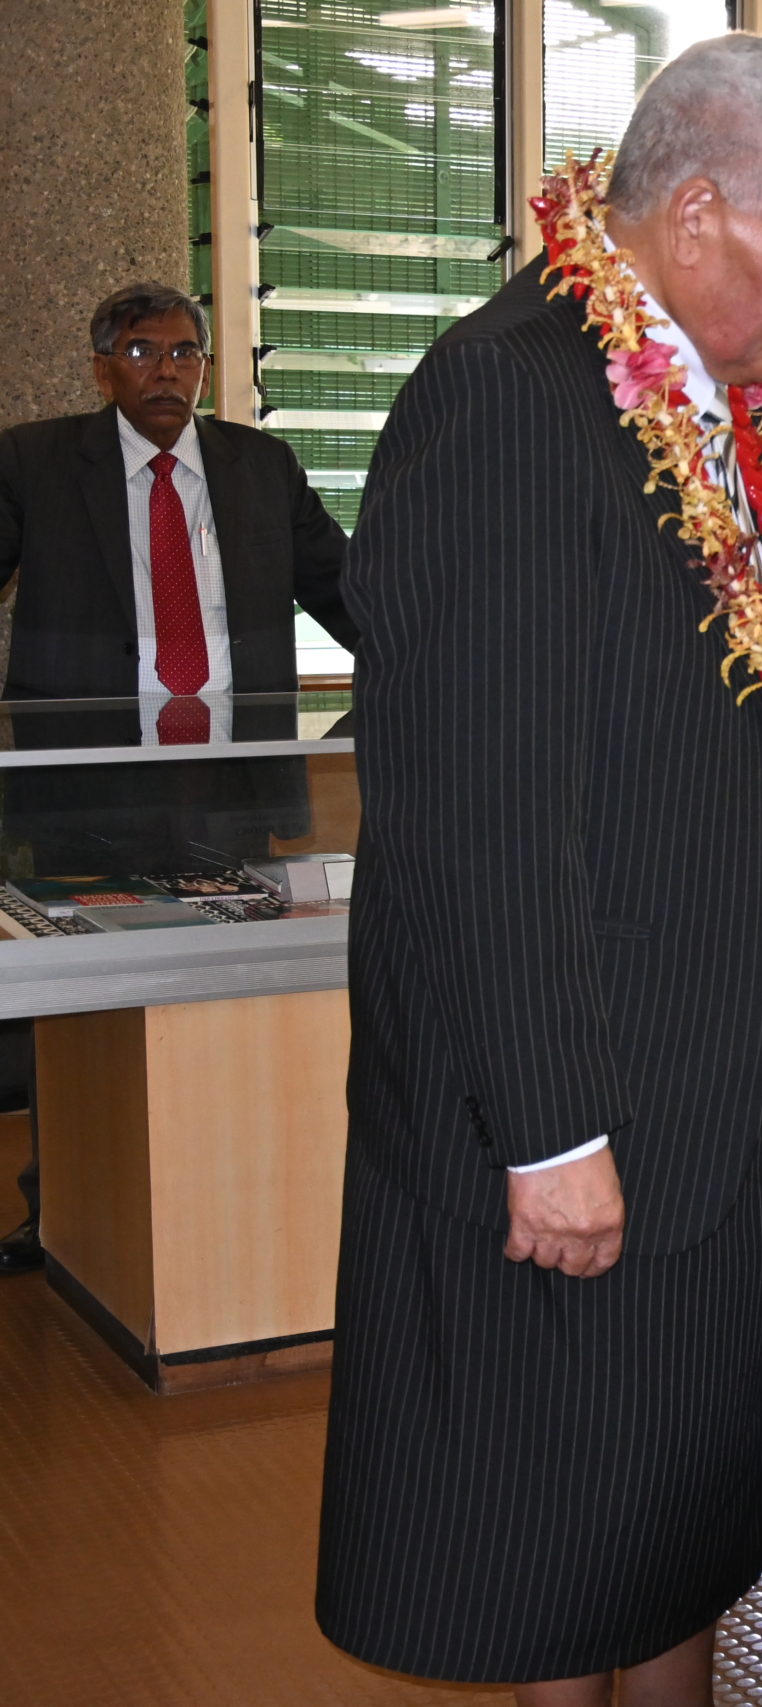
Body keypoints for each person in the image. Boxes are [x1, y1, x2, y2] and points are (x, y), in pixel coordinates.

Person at [314, 36, 762, 1707]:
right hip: (584, 1109)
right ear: (696, 213)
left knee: (680, 1525)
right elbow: (474, 810)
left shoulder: (708, 405)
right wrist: (552, 1130)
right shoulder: (513, 393)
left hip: (703, 1080)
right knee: (564, 1553)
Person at [0, 279, 357, 1276]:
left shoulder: (261, 467)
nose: (168, 371)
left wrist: (445, 659)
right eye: (145, 351)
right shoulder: (33, 461)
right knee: (75, 1020)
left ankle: (228, 1211)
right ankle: (65, 1213)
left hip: (225, 787)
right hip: (86, 792)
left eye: (186, 353)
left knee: (225, 998)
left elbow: (347, 592)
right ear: (103, 363)